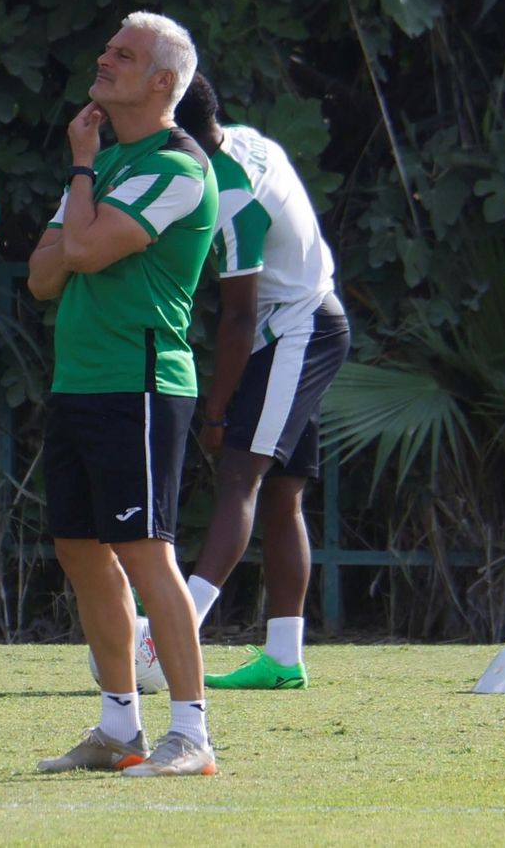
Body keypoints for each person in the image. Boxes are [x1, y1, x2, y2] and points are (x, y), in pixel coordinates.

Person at [26, 11, 219, 776]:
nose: (103, 61)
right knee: (79, 550)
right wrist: (85, 193)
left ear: (163, 81)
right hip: (80, 382)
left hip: (141, 385)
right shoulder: (105, 170)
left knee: (146, 553)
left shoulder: (177, 167)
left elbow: (75, 247)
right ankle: (120, 730)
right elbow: (45, 277)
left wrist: (80, 171)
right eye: (105, 48)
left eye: (123, 55)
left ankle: (193, 734)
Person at [173, 73, 351, 689]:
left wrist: (216, 409)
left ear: (174, 127)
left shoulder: (228, 194)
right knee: (280, 494)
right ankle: (283, 658)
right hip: (311, 317)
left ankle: (175, 633)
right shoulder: (245, 140)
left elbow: (240, 317)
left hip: (295, 330)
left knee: (239, 475)